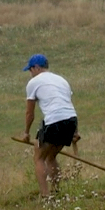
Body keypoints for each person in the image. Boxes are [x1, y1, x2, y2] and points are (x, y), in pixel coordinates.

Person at [21, 54, 77, 197]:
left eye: (30, 70)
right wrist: (75, 132)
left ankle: (46, 196)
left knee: (39, 157)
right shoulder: (61, 80)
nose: (30, 73)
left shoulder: (34, 83)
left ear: (37, 67)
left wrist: (26, 133)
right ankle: (56, 191)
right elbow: (67, 105)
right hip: (71, 121)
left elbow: (29, 113)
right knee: (51, 157)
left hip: (54, 121)